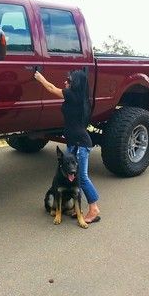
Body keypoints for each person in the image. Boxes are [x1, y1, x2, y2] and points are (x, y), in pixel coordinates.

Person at [34, 69, 101, 223]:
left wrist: (40, 78)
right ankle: (78, 208)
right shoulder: (82, 98)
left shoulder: (72, 96)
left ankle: (94, 208)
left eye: (68, 80)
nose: (65, 82)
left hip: (81, 144)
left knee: (82, 177)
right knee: (73, 175)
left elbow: (51, 88)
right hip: (74, 142)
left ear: (75, 83)